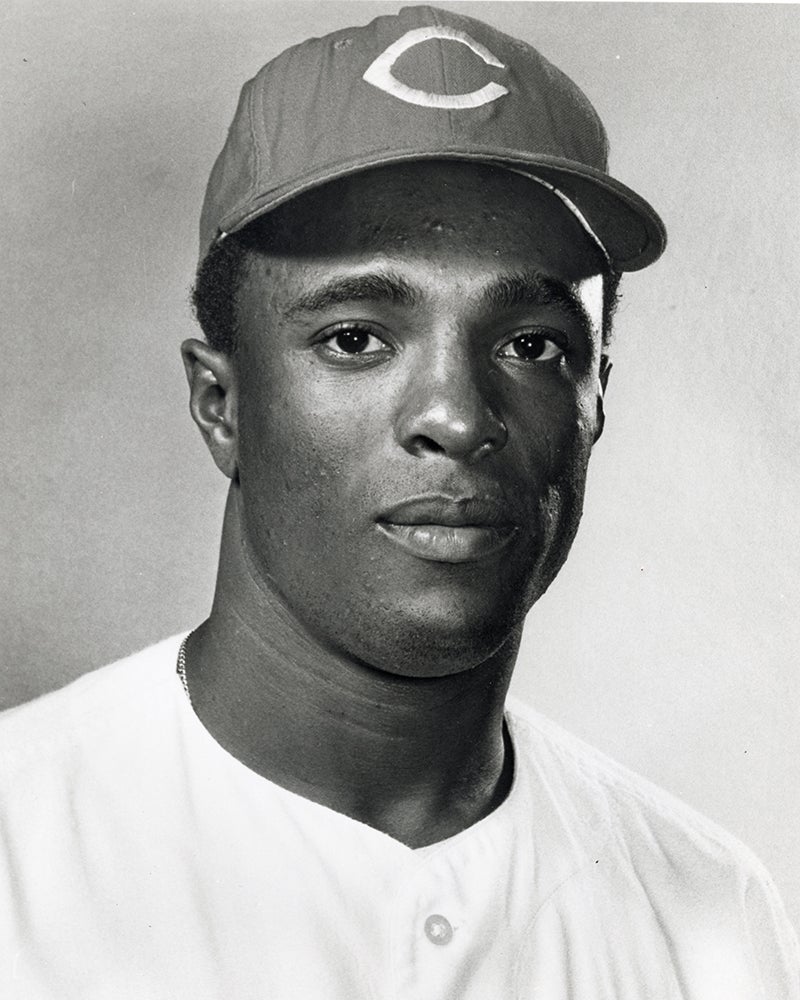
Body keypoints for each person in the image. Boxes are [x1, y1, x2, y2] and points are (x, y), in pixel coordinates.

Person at [0, 5, 797, 997]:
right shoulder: (19, 853)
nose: (455, 417)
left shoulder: (706, 912)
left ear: (595, 398)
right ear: (220, 403)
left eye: (531, 344)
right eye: (354, 337)